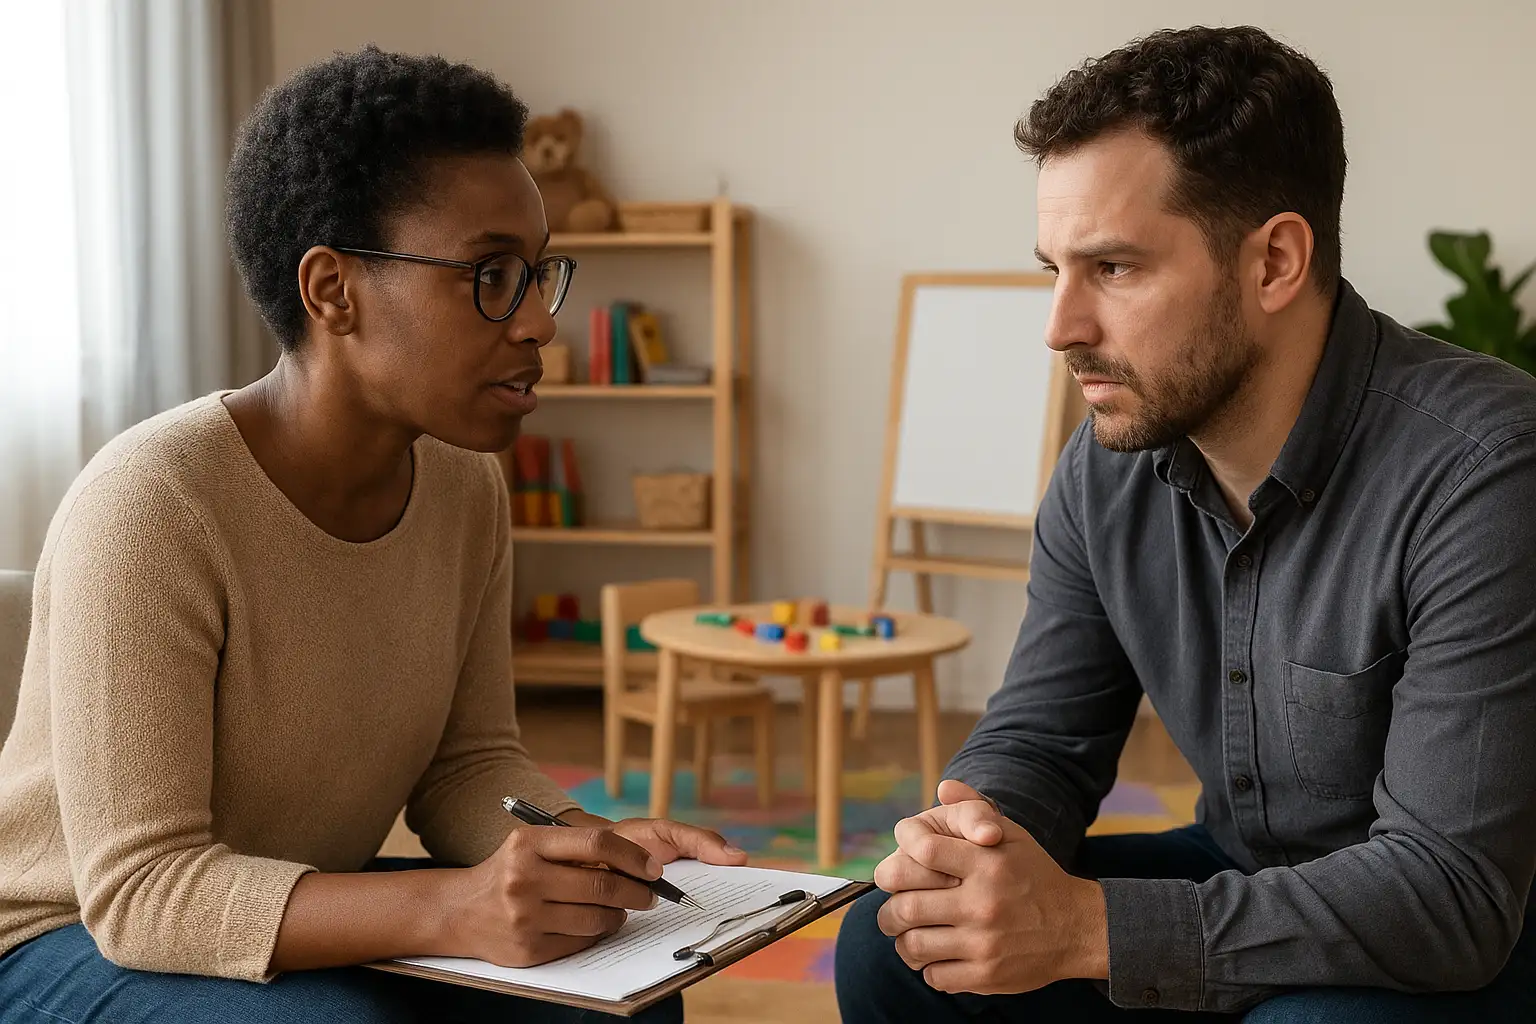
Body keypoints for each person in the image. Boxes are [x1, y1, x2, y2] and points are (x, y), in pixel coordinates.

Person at [0, 45, 744, 1023]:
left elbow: (467, 766)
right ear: (332, 291)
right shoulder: (151, 506)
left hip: (299, 892)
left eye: (537, 274)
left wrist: (594, 846)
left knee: (630, 1002)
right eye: (489, 276)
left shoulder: (467, 484)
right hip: (69, 940)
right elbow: (144, 892)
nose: (537, 325)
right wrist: (454, 905)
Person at [835, 24, 1536, 1024]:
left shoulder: (1486, 467)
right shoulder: (1108, 463)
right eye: (1055, 270)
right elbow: (1043, 735)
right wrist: (968, 845)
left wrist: (1080, 929)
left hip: (1469, 924)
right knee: (896, 943)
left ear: (1275, 263)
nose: (1061, 327)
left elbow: (1450, 895)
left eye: (1114, 269)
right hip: (1245, 868)